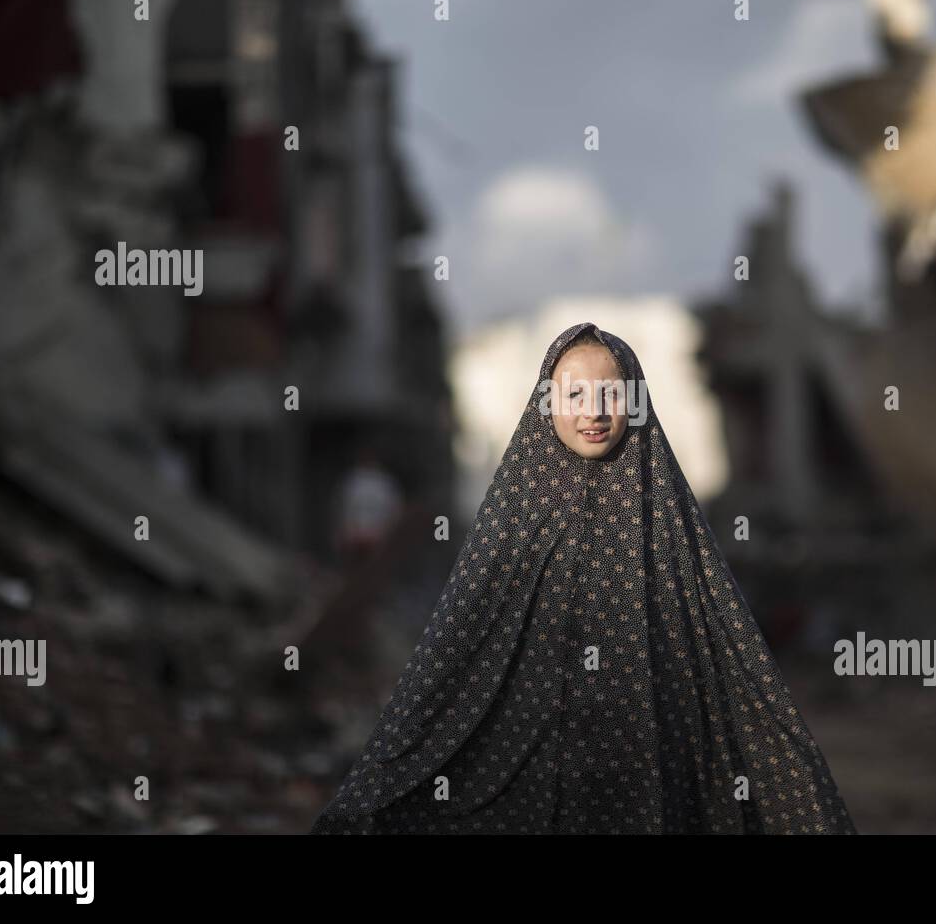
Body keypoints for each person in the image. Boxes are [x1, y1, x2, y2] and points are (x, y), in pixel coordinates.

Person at [310, 322, 855, 834]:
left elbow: (734, 673)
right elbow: (446, 669)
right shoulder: (512, 526)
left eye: (611, 395)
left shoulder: (668, 529)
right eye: (574, 395)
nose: (593, 412)